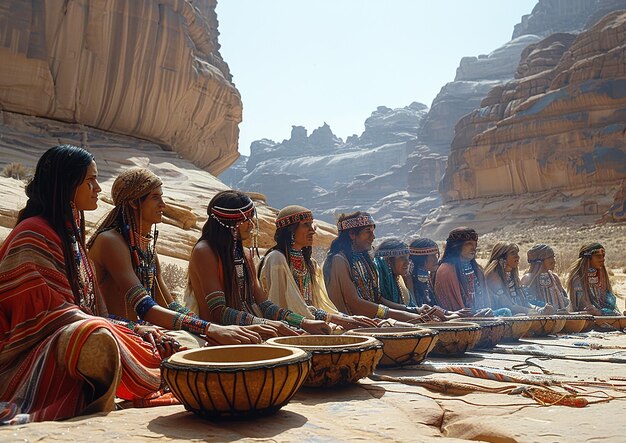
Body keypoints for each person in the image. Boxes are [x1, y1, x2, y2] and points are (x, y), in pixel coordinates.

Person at [0, 146, 162, 424]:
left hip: (72, 333)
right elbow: (50, 317)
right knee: (94, 336)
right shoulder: (32, 234)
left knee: (161, 340)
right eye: (90, 180)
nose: (98, 188)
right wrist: (129, 327)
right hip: (27, 356)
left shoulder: (72, 236)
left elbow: (93, 309)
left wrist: (138, 329)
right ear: (66, 185)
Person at [88, 168, 264, 348]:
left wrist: (210, 328)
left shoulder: (147, 249)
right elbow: (144, 307)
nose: (163, 205)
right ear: (134, 202)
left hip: (145, 330)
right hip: (115, 330)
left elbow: (170, 305)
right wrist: (210, 328)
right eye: (155, 197)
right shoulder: (110, 241)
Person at [185, 191, 330, 336]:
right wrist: (269, 324)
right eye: (246, 219)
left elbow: (264, 305)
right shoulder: (205, 252)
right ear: (231, 222)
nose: (252, 224)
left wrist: (303, 322)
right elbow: (217, 312)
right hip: (220, 335)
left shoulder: (245, 253)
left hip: (251, 330)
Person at [258, 205, 377, 330]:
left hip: (313, 322)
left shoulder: (311, 264)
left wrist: (345, 318)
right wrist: (334, 319)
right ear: (290, 230)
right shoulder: (277, 259)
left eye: (311, 224)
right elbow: (282, 306)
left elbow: (321, 305)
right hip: (289, 326)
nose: (312, 230)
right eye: (305, 225)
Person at [322, 212, 428, 322]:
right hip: (351, 323)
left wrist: (414, 310)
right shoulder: (339, 260)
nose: (373, 237)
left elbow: (378, 299)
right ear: (352, 234)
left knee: (424, 321)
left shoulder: (364, 259)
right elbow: (355, 303)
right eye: (368, 232)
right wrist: (407, 316)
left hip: (371, 320)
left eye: (373, 232)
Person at [405, 238, 471, 319]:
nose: (436, 259)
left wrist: (450, 313)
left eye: (436, 255)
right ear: (421, 259)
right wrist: (451, 316)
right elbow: (417, 310)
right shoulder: (409, 278)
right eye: (432, 256)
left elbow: (432, 306)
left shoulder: (428, 276)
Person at [433, 227, 492, 315]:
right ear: (456, 246)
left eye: (475, 244)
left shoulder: (477, 268)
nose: (474, 248)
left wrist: (486, 311)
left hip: (479, 314)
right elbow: (454, 308)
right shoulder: (446, 270)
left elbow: (484, 300)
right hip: (458, 319)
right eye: (469, 244)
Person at [484, 242, 554, 316]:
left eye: (517, 253)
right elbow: (507, 305)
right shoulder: (493, 274)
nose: (517, 257)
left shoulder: (512, 275)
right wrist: (531, 312)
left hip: (515, 312)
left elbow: (524, 302)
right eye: (512, 253)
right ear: (502, 257)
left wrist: (539, 309)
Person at [566, 243, 620, 315]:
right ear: (588, 259)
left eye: (603, 256)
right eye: (598, 256)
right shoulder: (577, 278)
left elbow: (610, 305)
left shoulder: (602, 277)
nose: (602, 259)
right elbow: (584, 306)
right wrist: (599, 312)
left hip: (602, 315)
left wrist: (601, 312)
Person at [520, 244, 569, 312]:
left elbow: (564, 300)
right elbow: (527, 301)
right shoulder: (528, 279)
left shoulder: (555, 278)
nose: (554, 261)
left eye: (553, 257)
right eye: (550, 257)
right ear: (539, 261)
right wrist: (543, 307)